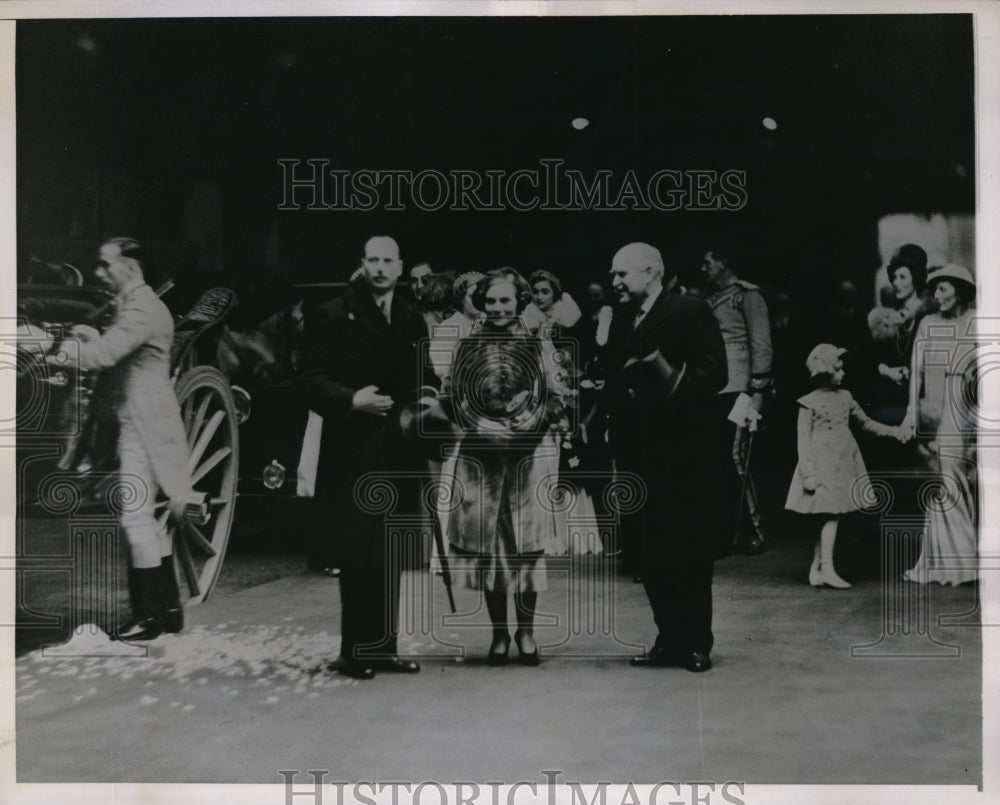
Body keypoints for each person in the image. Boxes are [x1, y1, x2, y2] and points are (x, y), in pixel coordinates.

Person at [300, 235, 437, 680]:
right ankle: (355, 652)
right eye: (372, 260)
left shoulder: (412, 318)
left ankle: (384, 649)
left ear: (400, 267)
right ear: (362, 264)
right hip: (352, 450)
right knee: (357, 551)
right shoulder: (333, 313)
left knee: (389, 551)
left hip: (398, 448)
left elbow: (425, 376)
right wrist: (351, 399)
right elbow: (310, 379)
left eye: (387, 260)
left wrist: (428, 401)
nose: (380, 268)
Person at [602, 242, 727, 672]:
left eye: (622, 273)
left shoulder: (690, 310)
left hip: (684, 453)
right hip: (638, 453)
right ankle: (668, 639)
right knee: (648, 550)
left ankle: (696, 642)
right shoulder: (622, 319)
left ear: (651, 272)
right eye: (613, 274)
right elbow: (613, 378)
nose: (614, 281)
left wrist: (665, 371)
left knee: (688, 550)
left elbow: (716, 374)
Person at [440, 270, 572, 666]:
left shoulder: (537, 343)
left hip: (525, 460)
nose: (498, 308)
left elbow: (556, 396)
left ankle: (525, 632)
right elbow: (452, 397)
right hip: (480, 462)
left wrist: (528, 426)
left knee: (526, 549)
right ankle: (499, 633)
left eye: (506, 301)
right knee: (490, 551)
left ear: (519, 302)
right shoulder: (466, 346)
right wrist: (478, 425)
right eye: (491, 301)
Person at [67, 237, 192, 641]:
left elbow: (106, 356)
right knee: (145, 517)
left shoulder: (141, 308)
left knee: (135, 516)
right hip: (147, 419)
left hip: (144, 424)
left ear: (131, 268)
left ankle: (148, 617)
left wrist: (62, 350)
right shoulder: (141, 304)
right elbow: (119, 350)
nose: (99, 273)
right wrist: (91, 337)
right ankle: (169, 610)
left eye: (106, 265)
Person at [785, 344, 908, 588]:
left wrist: (895, 431)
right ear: (825, 373)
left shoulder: (846, 397)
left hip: (843, 462)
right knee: (831, 514)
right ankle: (826, 568)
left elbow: (866, 423)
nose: (843, 373)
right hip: (822, 464)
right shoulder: (808, 403)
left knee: (832, 514)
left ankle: (818, 568)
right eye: (838, 370)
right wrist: (808, 474)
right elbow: (803, 441)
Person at [902, 265, 978, 585]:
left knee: (955, 479)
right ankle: (949, 561)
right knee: (940, 480)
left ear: (960, 290)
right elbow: (916, 372)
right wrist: (911, 413)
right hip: (933, 407)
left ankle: (962, 560)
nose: (937, 296)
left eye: (943, 289)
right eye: (935, 290)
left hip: (963, 408)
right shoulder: (928, 323)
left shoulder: (976, 322)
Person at [702, 249, 773, 556]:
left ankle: (751, 530)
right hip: (716, 389)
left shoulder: (748, 296)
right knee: (717, 460)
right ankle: (725, 531)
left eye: (708, 262)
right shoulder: (710, 299)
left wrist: (758, 390)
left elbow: (761, 342)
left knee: (736, 457)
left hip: (742, 388)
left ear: (724, 263)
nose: (703, 268)